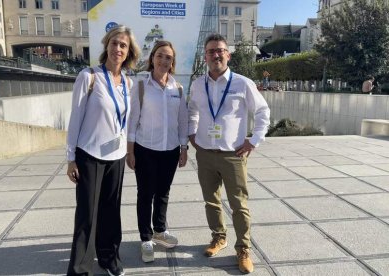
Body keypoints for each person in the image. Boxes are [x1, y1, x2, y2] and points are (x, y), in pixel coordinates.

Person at [188, 34, 270, 274]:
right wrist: (193, 135)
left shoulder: (242, 83)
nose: (216, 55)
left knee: (239, 204)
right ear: (205, 57)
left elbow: (263, 111)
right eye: (211, 51)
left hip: (233, 154)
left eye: (220, 50)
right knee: (211, 200)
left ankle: (243, 249)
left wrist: (254, 141)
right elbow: (192, 111)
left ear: (228, 54)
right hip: (205, 152)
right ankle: (218, 238)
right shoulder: (197, 85)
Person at [66, 25, 140, 276]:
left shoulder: (129, 83)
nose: (118, 48)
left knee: (111, 212)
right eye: (114, 43)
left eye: (123, 45)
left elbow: (127, 122)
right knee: (87, 215)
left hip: (116, 157)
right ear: (106, 45)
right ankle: (79, 269)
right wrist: (71, 158)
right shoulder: (89, 77)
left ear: (129, 52)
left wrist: (129, 151)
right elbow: (75, 119)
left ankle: (109, 258)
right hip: (89, 156)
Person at [126, 40, 188, 263]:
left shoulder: (177, 88)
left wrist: (184, 148)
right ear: (152, 58)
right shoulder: (141, 85)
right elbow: (133, 120)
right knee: (145, 194)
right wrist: (130, 151)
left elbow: (182, 121)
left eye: (168, 57)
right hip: (145, 149)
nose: (163, 60)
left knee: (163, 192)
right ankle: (146, 238)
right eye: (160, 55)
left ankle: (160, 231)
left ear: (172, 63)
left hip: (170, 150)